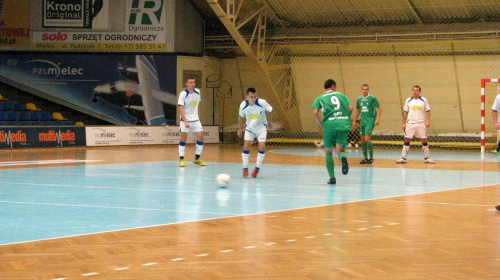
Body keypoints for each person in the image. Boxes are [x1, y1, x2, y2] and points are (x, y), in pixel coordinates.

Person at [312, 79, 353, 184]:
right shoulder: (342, 95)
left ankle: (332, 178)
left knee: (328, 151)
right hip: (342, 124)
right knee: (340, 150)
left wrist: (320, 124)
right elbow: (351, 108)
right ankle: (343, 159)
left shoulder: (320, 98)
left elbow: (315, 112)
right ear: (333, 86)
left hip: (329, 126)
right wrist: (345, 117)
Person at [237, 87, 273, 178]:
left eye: (255, 97)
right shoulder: (243, 105)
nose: (253, 99)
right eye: (251, 97)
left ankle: (257, 168)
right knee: (246, 145)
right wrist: (239, 129)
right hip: (249, 127)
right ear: (247, 97)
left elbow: (270, 110)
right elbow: (240, 117)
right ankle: (245, 168)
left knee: (261, 146)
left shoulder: (262, 102)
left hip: (261, 127)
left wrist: (269, 121)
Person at [396, 85, 434, 164]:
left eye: (416, 90)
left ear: (419, 92)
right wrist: (404, 123)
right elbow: (405, 112)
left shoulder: (423, 100)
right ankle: (403, 158)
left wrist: (428, 121)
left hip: (420, 123)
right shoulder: (408, 100)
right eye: (413, 90)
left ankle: (427, 158)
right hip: (410, 123)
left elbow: (428, 111)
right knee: (407, 139)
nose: (415, 92)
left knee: (424, 139)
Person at [178, 78, 206, 167]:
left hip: (195, 119)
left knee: (201, 137)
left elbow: (198, 105)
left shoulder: (198, 92)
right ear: (186, 84)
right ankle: (181, 160)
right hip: (185, 119)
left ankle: (197, 159)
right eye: (190, 82)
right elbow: (180, 108)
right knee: (183, 138)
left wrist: (198, 117)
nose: (192, 84)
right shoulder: (183, 94)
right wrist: (185, 121)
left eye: (193, 82)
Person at [352, 84, 381, 164]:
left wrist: (377, 118)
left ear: (368, 90)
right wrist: (354, 120)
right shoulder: (359, 99)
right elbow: (358, 110)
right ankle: (365, 158)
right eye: (363, 89)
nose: (365, 91)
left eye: (366, 89)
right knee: (362, 140)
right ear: (361, 90)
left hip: (370, 120)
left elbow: (379, 108)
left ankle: (371, 157)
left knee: (367, 138)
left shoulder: (372, 98)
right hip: (363, 121)